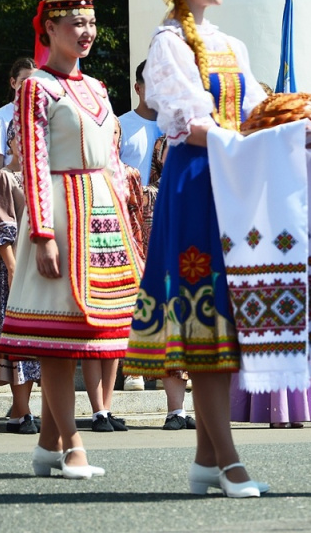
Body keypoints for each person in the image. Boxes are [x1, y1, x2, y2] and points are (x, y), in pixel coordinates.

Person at [125, 0, 269, 497]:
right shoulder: (168, 42)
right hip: (198, 184)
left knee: (225, 321)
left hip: (231, 181)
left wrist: (304, 125)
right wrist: (245, 142)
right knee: (204, 322)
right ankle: (228, 460)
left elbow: (258, 106)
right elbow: (187, 118)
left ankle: (207, 459)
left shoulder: (229, 44)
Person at [0, 0, 142, 479]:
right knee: (56, 336)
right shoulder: (36, 87)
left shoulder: (99, 88)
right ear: (50, 30)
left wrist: (129, 215)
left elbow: (114, 161)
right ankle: (72, 445)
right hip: (60, 213)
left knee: (87, 335)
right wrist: (43, 233)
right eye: (75, 23)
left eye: (91, 23)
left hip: (99, 213)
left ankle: (45, 447)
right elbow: (34, 162)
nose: (86, 32)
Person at [81, 119, 144, 433]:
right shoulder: (83, 174)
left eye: (115, 132)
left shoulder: (130, 174)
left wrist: (139, 259)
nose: (110, 137)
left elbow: (135, 220)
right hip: (92, 259)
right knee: (93, 337)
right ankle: (96, 410)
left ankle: (108, 407)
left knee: (115, 337)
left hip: (123, 258)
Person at [0, 120, 41, 434]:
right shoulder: (3, 177)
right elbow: (2, 229)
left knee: (36, 340)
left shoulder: (43, 178)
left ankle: (21, 410)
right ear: (11, 142)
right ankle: (22, 410)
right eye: (22, 138)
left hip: (41, 268)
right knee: (16, 337)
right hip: (15, 267)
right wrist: (14, 268)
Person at [138, 136, 194, 431]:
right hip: (160, 273)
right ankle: (175, 410)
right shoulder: (148, 193)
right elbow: (140, 236)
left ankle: (184, 410)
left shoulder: (197, 189)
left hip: (194, 272)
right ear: (158, 155)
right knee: (169, 345)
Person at [116, 61, 160, 393]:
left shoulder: (175, 128)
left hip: (166, 221)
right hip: (128, 222)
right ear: (138, 88)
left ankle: (167, 366)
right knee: (133, 295)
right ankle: (133, 368)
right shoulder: (121, 126)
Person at [0, 57, 36, 173]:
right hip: (13, 186)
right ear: (13, 83)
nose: (30, 86)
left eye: (34, 82)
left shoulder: (46, 115)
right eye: (24, 81)